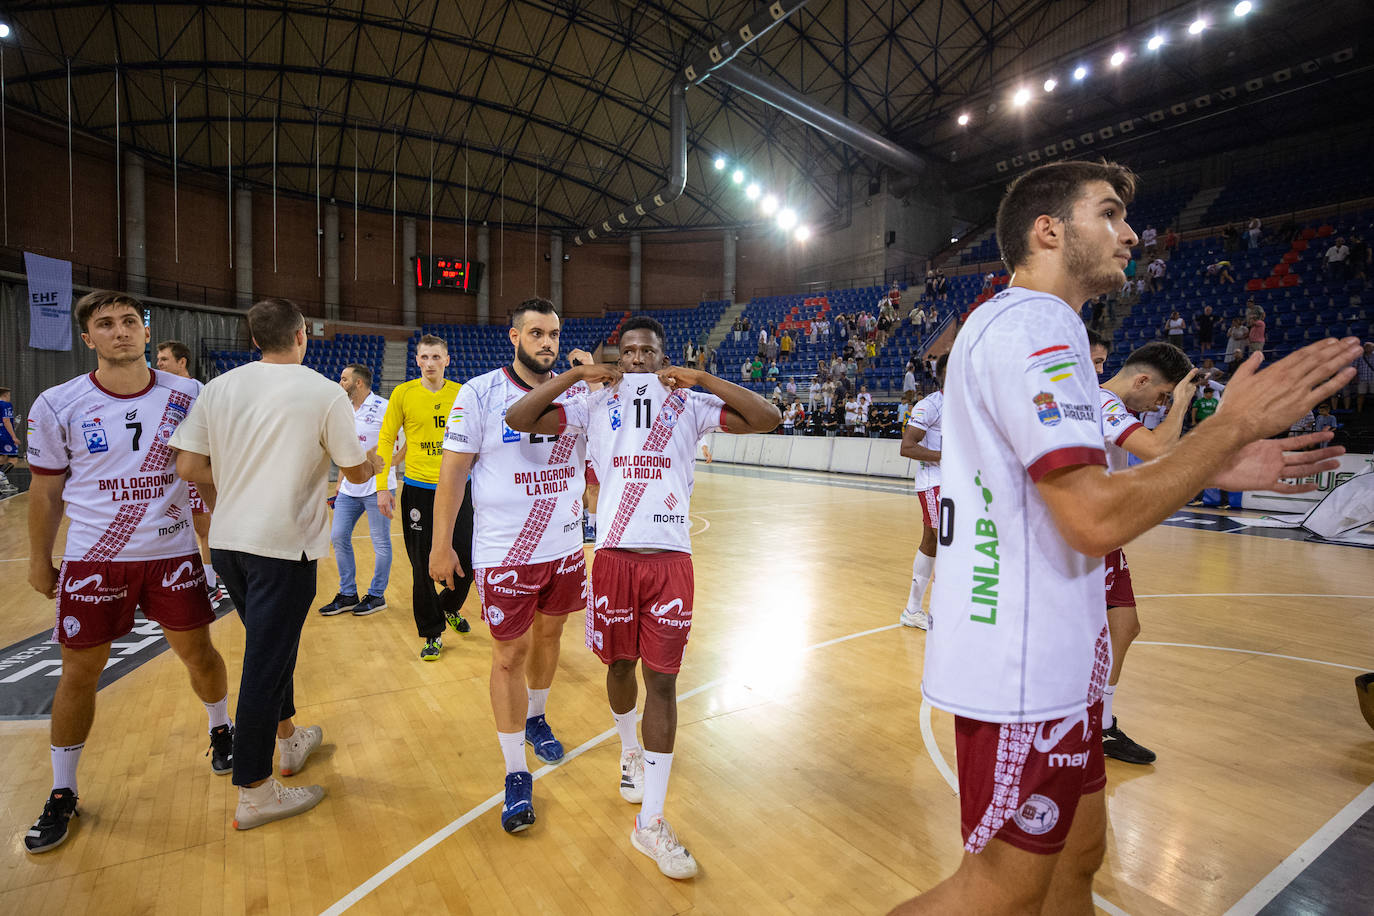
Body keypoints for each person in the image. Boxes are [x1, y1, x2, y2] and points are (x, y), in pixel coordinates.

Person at [897, 160, 1355, 915]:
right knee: (996, 895)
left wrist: (1218, 460)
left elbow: (1095, 499)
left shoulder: (1032, 325)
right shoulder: (1034, 324)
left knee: (1079, 860)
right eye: (1109, 214)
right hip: (1023, 670)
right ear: (1050, 230)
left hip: (1056, 657)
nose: (1132, 232)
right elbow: (1094, 517)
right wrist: (1231, 426)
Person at [504, 316, 779, 880]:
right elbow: (519, 415)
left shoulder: (690, 405)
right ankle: (629, 749)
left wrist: (702, 378)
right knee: (621, 666)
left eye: (646, 352)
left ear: (662, 356)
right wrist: (577, 377)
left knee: (664, 679)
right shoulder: (592, 404)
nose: (635, 359)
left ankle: (650, 822)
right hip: (613, 559)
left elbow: (768, 417)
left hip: (672, 561)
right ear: (616, 355)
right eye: (626, 351)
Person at [21, 292, 233, 853]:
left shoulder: (189, 394)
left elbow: (208, 471)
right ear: (87, 338)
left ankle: (221, 730)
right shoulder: (57, 404)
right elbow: (45, 492)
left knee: (199, 654)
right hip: (96, 559)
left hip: (171, 553)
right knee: (79, 674)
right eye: (106, 324)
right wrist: (39, 559)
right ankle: (63, 791)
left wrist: (229, 531)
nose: (122, 332)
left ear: (146, 331)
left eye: (131, 322)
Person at [171, 297, 380, 831]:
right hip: (282, 548)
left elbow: (191, 465)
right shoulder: (323, 391)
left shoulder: (219, 387)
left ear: (256, 338)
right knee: (264, 664)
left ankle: (288, 742)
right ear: (302, 334)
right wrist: (378, 459)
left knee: (271, 647)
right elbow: (356, 475)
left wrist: (228, 503)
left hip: (229, 543)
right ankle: (256, 790)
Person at [427, 298, 594, 834]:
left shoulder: (579, 391)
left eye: (554, 333)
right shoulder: (480, 393)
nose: (547, 341)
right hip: (505, 552)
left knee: (550, 639)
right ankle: (515, 772)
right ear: (514, 338)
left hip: (565, 547)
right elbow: (452, 473)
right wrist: (441, 544)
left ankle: (537, 717)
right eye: (537, 332)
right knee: (507, 656)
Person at [1088, 335, 1198, 765]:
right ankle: (1082, 725)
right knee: (1093, 635)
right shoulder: (1103, 404)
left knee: (1126, 627)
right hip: (1089, 536)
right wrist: (1182, 405)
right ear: (1142, 379)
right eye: (1162, 394)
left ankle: (1100, 724)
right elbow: (1154, 449)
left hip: (1107, 532)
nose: (1160, 403)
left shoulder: (1112, 406)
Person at [374, 335, 473, 660]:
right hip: (418, 490)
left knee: (468, 562)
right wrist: (382, 485)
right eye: (424, 357)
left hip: (458, 488)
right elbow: (386, 439)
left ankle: (448, 607)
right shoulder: (403, 394)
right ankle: (432, 632)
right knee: (421, 567)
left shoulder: (462, 394)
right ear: (417, 360)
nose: (430, 363)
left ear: (447, 360)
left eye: (436, 357)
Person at [317, 363, 395, 617]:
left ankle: (376, 595)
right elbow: (346, 452)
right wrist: (339, 483)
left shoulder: (384, 407)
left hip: (377, 488)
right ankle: (348, 593)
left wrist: (386, 470)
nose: (340, 383)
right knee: (338, 537)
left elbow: (403, 444)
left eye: (344, 379)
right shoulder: (344, 410)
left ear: (358, 383)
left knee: (380, 543)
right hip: (350, 488)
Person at [155, 340, 225, 608]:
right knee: (170, 529)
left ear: (182, 362)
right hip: (169, 475)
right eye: (158, 360)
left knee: (203, 528)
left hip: (194, 471)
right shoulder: (160, 393)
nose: (159, 364)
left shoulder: (197, 390)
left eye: (164, 359)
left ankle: (210, 583)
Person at [899, 353, 946, 630]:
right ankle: (917, 609)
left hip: (960, 483)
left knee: (935, 542)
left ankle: (915, 609)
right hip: (935, 482)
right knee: (941, 541)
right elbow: (907, 446)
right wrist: (945, 455)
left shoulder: (970, 405)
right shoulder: (931, 405)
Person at [0, 384, 21, 496]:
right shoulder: (6, 404)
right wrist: (13, 436)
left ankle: (3, 484)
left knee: (2, 458)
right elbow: (6, 420)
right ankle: (1, 476)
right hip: (4, 435)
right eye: (9, 395)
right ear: (5, 395)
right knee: (13, 459)